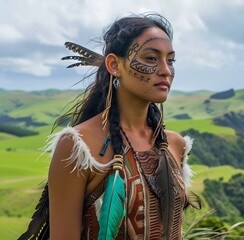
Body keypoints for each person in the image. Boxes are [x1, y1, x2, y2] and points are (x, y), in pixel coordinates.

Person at [19, 13, 200, 240]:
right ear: (114, 65)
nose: (166, 70)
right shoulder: (78, 147)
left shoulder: (175, 145)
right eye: (152, 59)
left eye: (170, 60)